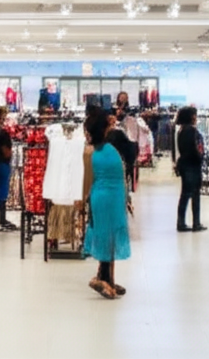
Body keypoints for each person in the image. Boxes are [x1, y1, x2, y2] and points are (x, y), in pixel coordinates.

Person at [82, 108, 130, 299]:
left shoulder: (107, 148)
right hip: (103, 197)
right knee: (105, 235)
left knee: (110, 236)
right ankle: (100, 278)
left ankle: (108, 278)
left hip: (114, 197)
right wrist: (82, 200)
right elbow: (87, 179)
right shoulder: (92, 151)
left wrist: (127, 199)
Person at [174, 106, 207, 232]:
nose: (195, 117)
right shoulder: (190, 131)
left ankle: (182, 222)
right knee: (193, 194)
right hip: (192, 165)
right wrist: (200, 158)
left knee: (186, 194)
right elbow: (193, 148)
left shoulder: (181, 130)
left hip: (185, 164)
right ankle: (195, 222)